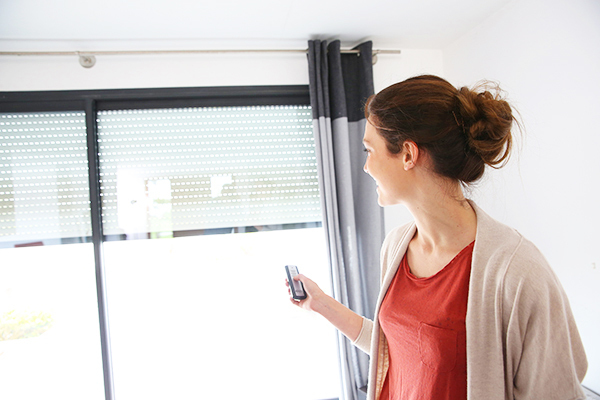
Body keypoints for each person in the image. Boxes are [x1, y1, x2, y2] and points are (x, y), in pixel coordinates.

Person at [286, 75, 588, 400]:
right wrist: (322, 304)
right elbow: (402, 349)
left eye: (369, 150)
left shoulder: (517, 272)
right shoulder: (396, 246)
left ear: (408, 154)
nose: (366, 166)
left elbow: (558, 390)